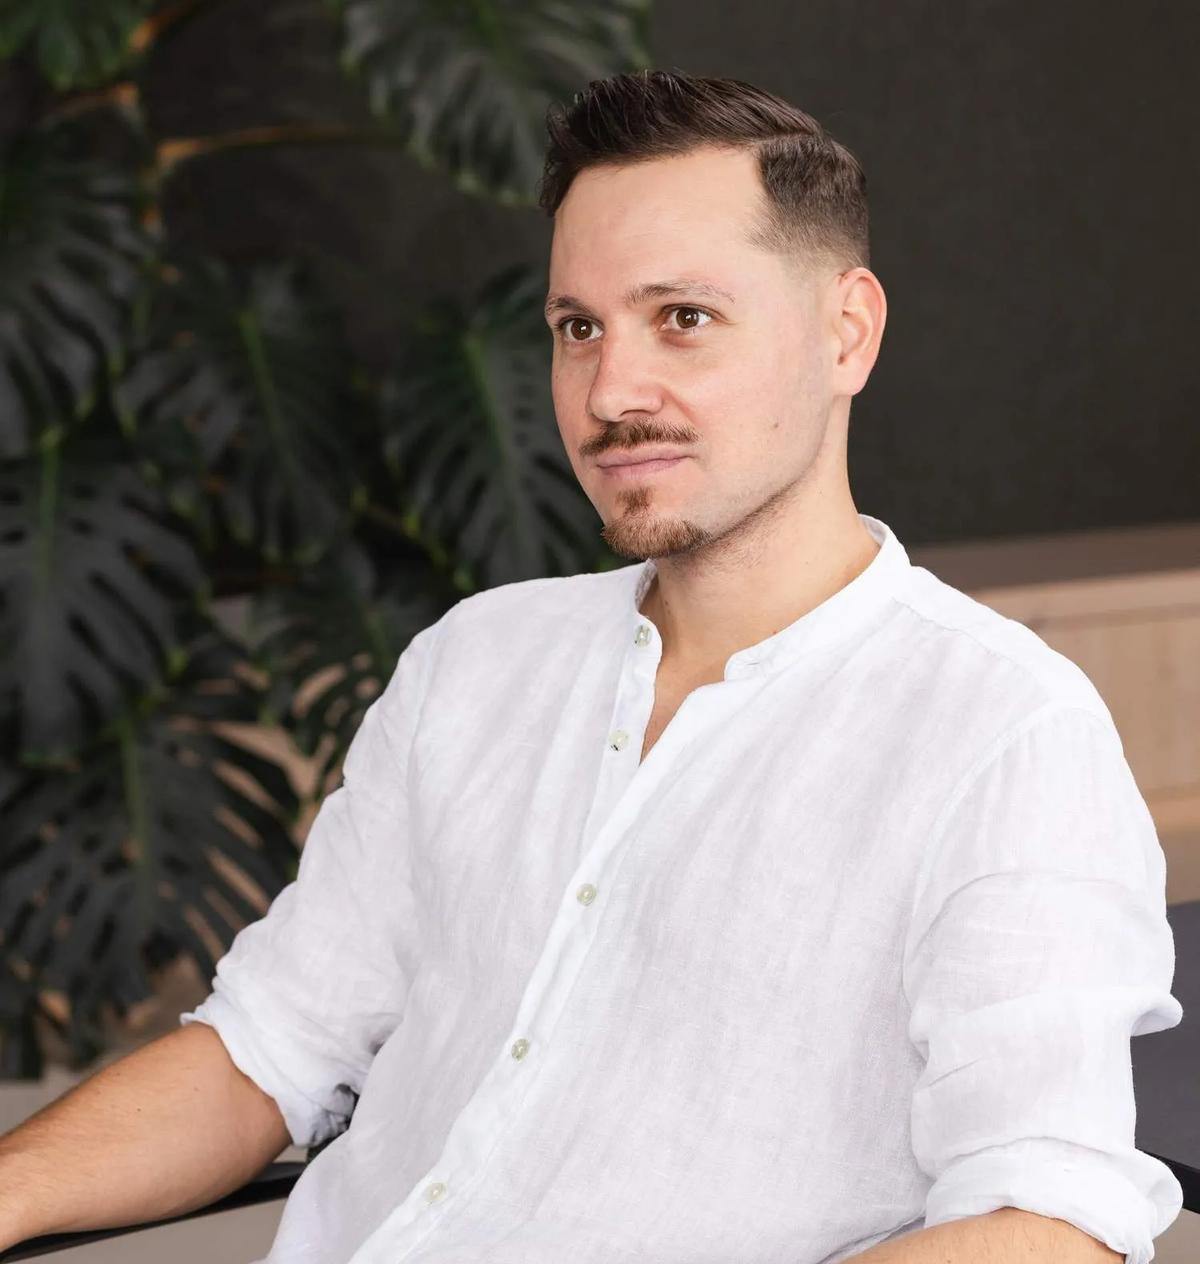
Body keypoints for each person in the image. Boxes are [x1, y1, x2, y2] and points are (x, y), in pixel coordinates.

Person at [0, 69, 1181, 1264]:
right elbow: (267, 1049)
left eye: (684, 318)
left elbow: (1046, 1218)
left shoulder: (1000, 734)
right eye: (579, 328)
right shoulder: (475, 663)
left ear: (847, 334)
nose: (610, 392)